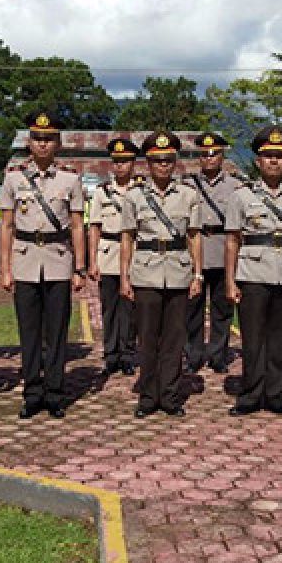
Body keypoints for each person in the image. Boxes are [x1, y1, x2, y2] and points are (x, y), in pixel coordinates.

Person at [0, 109, 86, 419]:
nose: (43, 144)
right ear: (29, 142)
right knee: (30, 332)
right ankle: (32, 393)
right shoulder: (13, 179)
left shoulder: (71, 179)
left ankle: (55, 393)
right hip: (24, 261)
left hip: (58, 261)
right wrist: (5, 269)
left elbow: (77, 226)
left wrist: (79, 269)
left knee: (57, 331)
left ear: (58, 142)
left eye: (49, 139)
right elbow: (6, 226)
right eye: (37, 138)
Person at [225, 125, 282, 418]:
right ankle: (250, 395)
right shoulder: (241, 196)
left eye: (279, 155)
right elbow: (232, 241)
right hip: (252, 274)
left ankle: (277, 395)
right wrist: (229, 281)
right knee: (252, 338)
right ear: (258, 161)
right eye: (268, 155)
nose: (274, 160)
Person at [119, 131, 203, 417]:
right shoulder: (133, 197)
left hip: (179, 272)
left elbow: (194, 237)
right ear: (148, 163)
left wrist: (198, 274)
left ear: (175, 162)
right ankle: (147, 396)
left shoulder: (189, 195)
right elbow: (128, 238)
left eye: (168, 160)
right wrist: (124, 277)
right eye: (157, 160)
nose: (163, 165)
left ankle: (169, 396)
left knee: (174, 339)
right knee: (148, 338)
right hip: (145, 273)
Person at [182, 132, 238, 375]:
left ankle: (218, 354)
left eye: (214, 153)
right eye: (204, 154)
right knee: (192, 308)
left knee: (222, 309)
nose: (209, 158)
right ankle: (193, 354)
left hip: (222, 248)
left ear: (222, 155)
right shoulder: (187, 184)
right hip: (195, 250)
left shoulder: (236, 185)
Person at [88, 138, 139, 376]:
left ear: (133, 163)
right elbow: (94, 227)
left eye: (125, 161)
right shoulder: (102, 192)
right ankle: (111, 354)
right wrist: (92, 261)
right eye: (116, 161)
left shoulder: (141, 191)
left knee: (130, 310)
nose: (120, 166)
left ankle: (128, 353)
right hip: (108, 253)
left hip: (135, 254)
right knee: (109, 308)